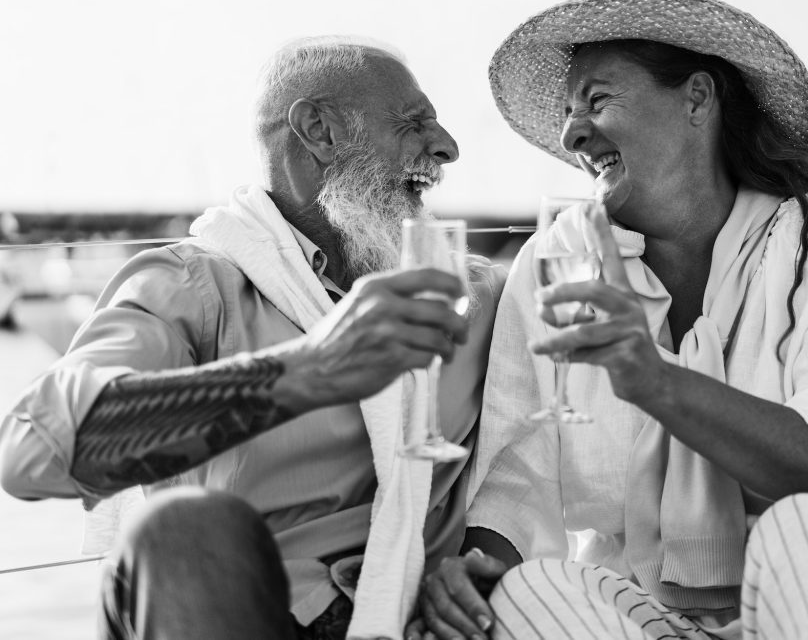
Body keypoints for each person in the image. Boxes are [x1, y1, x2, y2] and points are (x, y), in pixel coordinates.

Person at [412, 0, 808, 640]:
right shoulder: (556, 260)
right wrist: (478, 572)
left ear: (697, 98)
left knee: (802, 528)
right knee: (523, 592)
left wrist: (658, 382)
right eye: (567, 111)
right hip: (652, 614)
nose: (570, 133)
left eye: (597, 101)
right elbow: (519, 477)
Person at [0, 36, 505, 640]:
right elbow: (29, 455)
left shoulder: (473, 295)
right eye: (414, 122)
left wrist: (481, 560)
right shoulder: (192, 284)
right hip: (253, 615)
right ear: (319, 130)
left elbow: (532, 469)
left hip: (431, 618)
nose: (447, 146)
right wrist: (306, 371)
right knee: (184, 528)